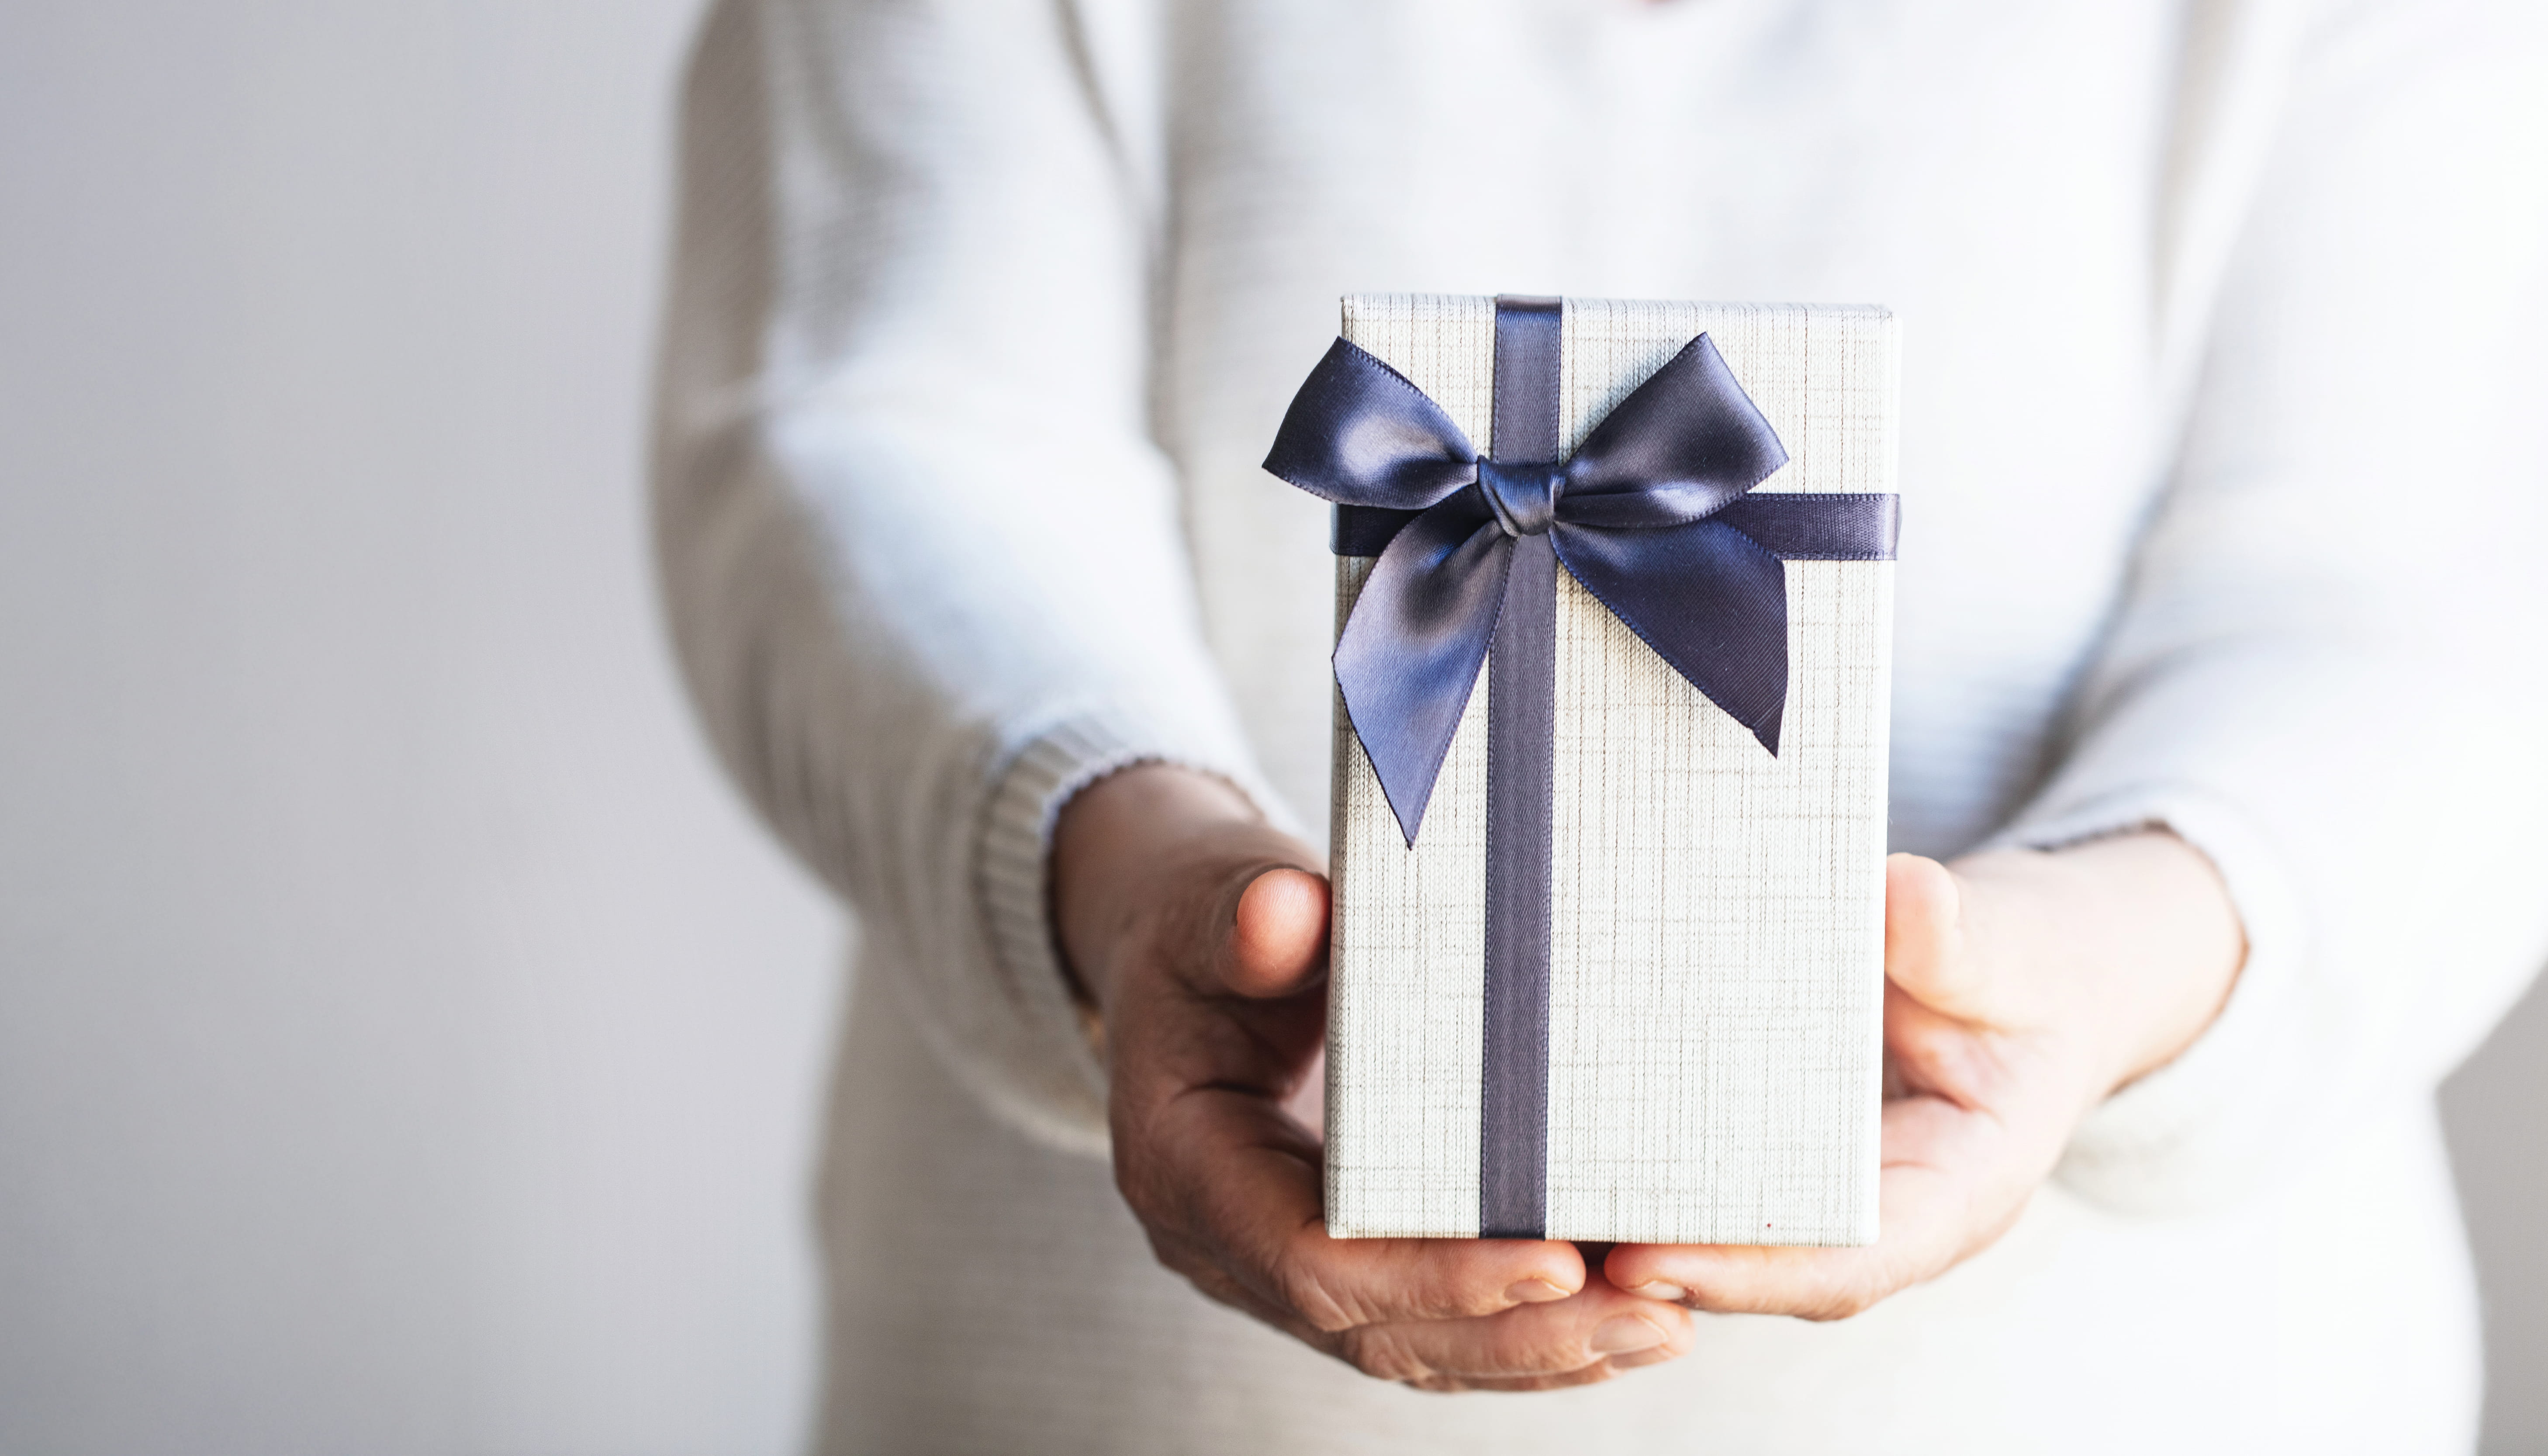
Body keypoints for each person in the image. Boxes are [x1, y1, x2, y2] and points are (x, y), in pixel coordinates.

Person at [651, 0, 2548, 1449]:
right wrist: (1118, 858)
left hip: (2144, 1394)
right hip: (1102, 1387)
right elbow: (870, 421)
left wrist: (2097, 957)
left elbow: (2422, 574)